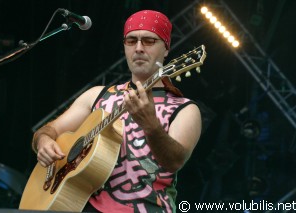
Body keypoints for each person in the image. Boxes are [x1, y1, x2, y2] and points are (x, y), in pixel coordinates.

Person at [32, 10, 202, 213]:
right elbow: (47, 131)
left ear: (166, 49)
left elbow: (174, 161)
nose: (138, 48)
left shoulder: (185, 109)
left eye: (149, 41)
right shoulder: (97, 95)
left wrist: (151, 125)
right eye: (131, 41)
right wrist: (43, 141)